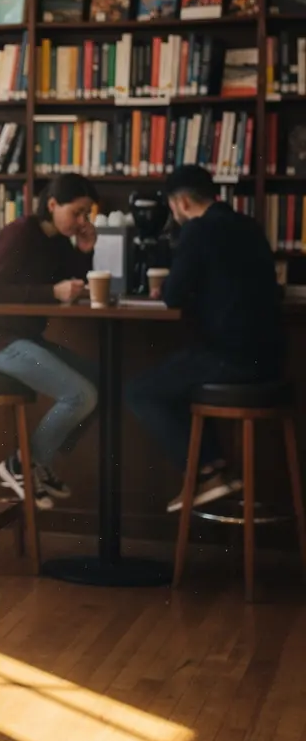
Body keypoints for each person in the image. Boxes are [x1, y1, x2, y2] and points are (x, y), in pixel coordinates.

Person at [126, 165, 284, 512]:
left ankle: (206, 471)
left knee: (139, 391)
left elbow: (174, 295)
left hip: (231, 359)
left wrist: (168, 286)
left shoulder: (197, 230)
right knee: (180, 379)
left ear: (181, 203)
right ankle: (213, 465)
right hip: (270, 361)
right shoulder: (249, 225)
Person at [0, 173, 100, 509]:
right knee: (80, 394)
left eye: (87, 214)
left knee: (99, 378)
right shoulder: (21, 233)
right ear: (52, 204)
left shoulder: (58, 241)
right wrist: (51, 292)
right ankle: (25, 464)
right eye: (77, 212)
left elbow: (71, 282)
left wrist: (85, 252)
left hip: (22, 339)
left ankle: (37, 462)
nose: (83, 221)